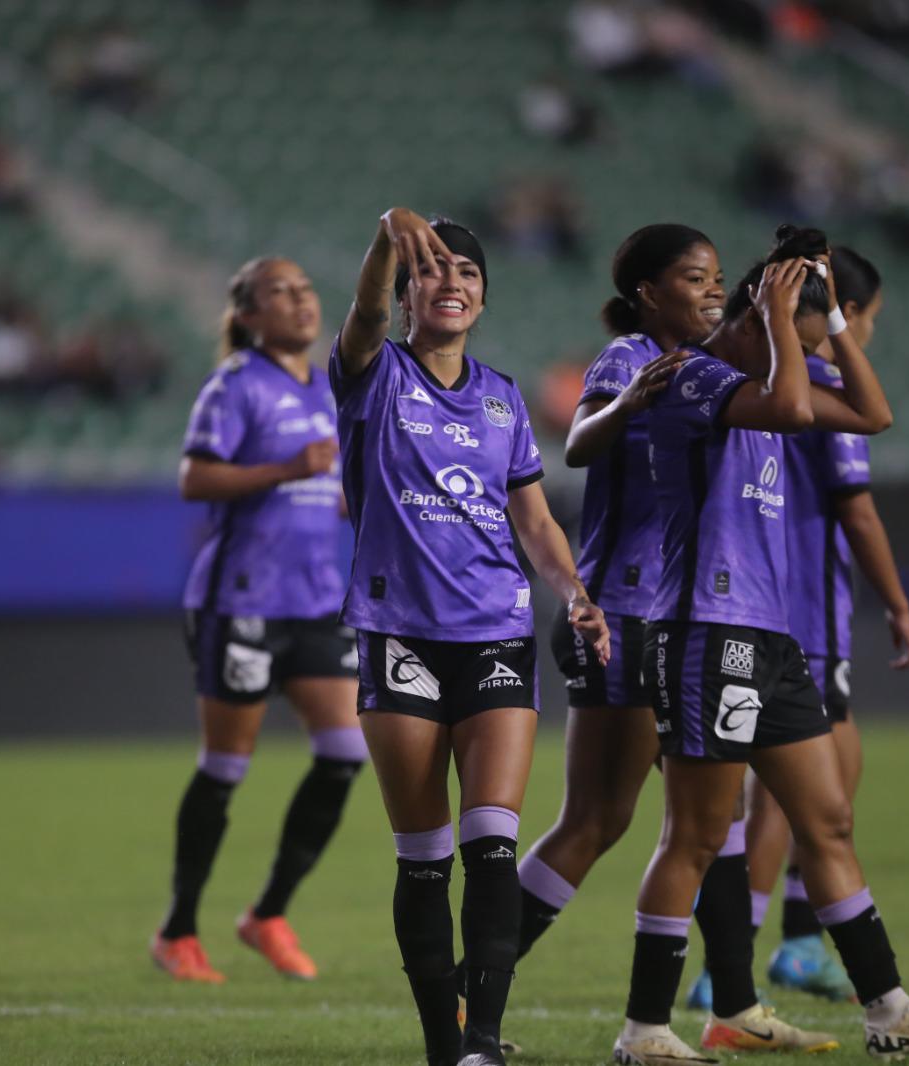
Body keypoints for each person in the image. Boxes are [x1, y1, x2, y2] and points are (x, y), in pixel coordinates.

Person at [612, 225, 909, 1064]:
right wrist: (783, 313)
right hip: (708, 629)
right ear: (766, 312)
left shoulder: (787, 372)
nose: (818, 355)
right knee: (695, 837)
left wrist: (837, 326)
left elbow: (873, 414)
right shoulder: (694, 376)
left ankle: (887, 1007)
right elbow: (789, 406)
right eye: (807, 336)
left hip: (770, 631)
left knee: (830, 820)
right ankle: (642, 1031)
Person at [498, 223, 827, 1052]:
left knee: (706, 817)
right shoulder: (629, 356)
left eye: (719, 276)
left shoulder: (713, 371)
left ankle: (735, 1006)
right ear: (648, 291)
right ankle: (471, 986)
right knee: (598, 820)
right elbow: (575, 444)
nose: (713, 288)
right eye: (694, 276)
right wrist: (627, 402)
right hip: (627, 611)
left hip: (682, 618)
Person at [331, 207, 609, 1066]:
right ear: (411, 292)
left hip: (496, 632)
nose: (452, 282)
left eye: (469, 274)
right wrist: (386, 237)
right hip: (401, 634)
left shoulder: (502, 397)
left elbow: (532, 520)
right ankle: (441, 1048)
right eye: (435, 270)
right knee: (425, 859)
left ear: (483, 300)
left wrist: (573, 591)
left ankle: (481, 1043)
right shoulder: (374, 375)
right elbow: (366, 314)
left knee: (492, 846)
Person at [687, 246, 909, 1006]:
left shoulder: (771, 380)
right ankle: (749, 964)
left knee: (807, 806)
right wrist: (899, 603)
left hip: (758, 613)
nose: (867, 332)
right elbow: (855, 503)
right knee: (782, 806)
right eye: (865, 318)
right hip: (793, 617)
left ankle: (789, 960)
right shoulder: (791, 384)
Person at [150, 256, 366, 985]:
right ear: (246, 315)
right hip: (241, 598)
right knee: (226, 768)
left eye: (306, 289)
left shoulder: (329, 389)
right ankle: (178, 928)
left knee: (344, 753)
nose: (302, 301)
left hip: (315, 599)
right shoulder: (236, 385)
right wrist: (290, 470)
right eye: (281, 292)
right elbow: (194, 477)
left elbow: (329, 487)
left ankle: (267, 912)